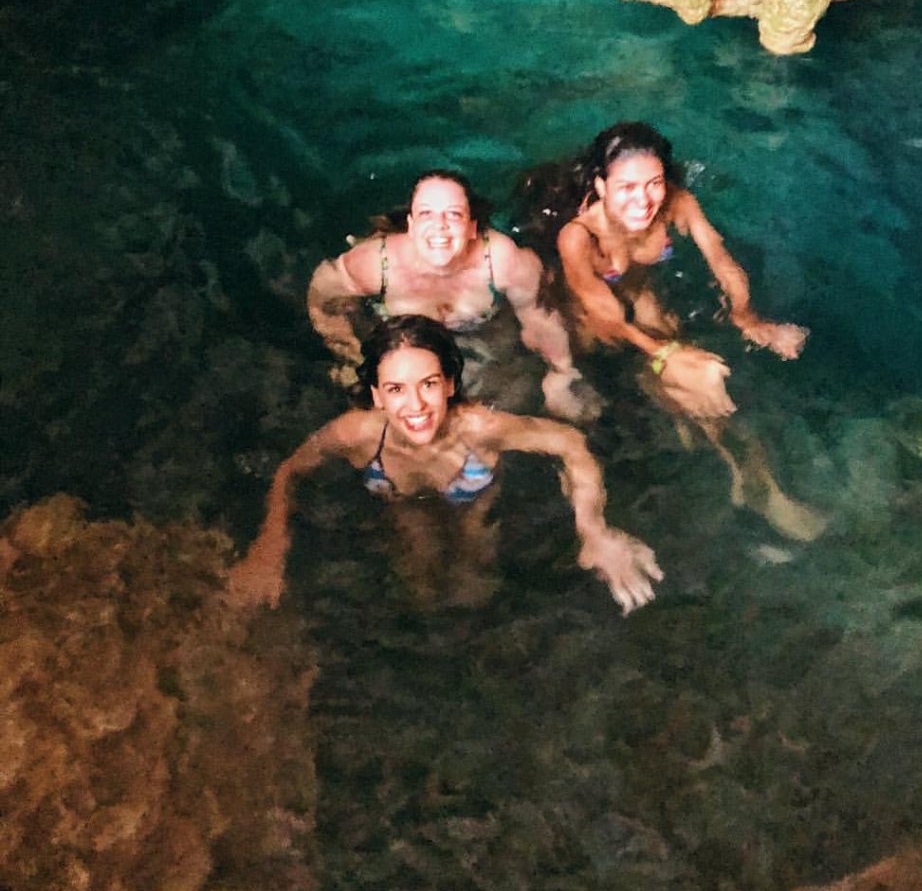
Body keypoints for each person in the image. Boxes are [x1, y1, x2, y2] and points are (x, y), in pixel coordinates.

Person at [227, 315, 662, 614]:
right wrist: (270, 543)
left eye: (429, 384)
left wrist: (594, 529)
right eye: (396, 389)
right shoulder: (356, 434)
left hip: (474, 502)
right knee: (420, 589)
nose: (415, 405)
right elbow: (291, 470)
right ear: (376, 395)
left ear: (450, 384)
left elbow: (569, 442)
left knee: (476, 589)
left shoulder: (479, 428)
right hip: (401, 504)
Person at [517, 121, 824, 540]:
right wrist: (664, 354)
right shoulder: (578, 236)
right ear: (601, 186)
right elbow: (603, 314)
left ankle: (745, 475)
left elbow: (720, 259)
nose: (644, 199)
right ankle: (750, 481)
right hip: (586, 316)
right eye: (627, 187)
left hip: (639, 293)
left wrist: (747, 317)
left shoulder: (678, 203)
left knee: (688, 367)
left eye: (654, 183)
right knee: (672, 372)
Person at [307, 169, 588, 419]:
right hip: (401, 342)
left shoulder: (502, 262)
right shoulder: (375, 264)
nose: (440, 226)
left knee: (508, 400)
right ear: (411, 225)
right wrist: (350, 354)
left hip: (481, 336)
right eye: (426, 214)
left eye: (453, 214)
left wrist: (561, 374)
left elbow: (539, 319)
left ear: (472, 227)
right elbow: (323, 298)